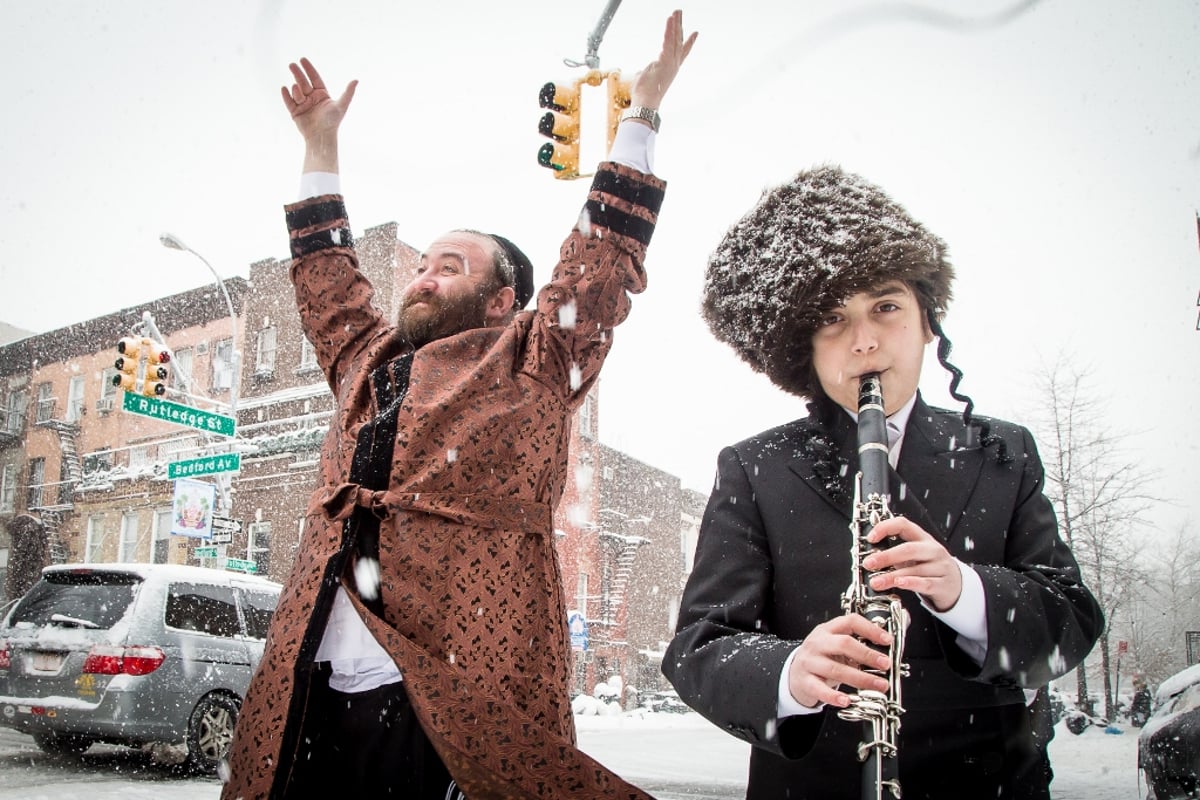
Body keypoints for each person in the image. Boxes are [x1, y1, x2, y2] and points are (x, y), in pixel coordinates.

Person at [221, 12, 696, 800]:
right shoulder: (366, 362)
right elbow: (327, 283)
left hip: (449, 685)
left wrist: (641, 112)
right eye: (421, 265)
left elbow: (595, 268)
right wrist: (319, 148)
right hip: (312, 679)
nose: (424, 276)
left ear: (502, 296)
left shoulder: (534, 357)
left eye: (451, 265)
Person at [662, 165, 1104, 800]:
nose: (865, 341)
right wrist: (791, 671)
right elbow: (699, 648)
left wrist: (965, 591)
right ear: (803, 348)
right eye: (834, 320)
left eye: (887, 307)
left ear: (929, 321)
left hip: (994, 782)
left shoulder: (1004, 452)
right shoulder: (755, 467)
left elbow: (1071, 621)